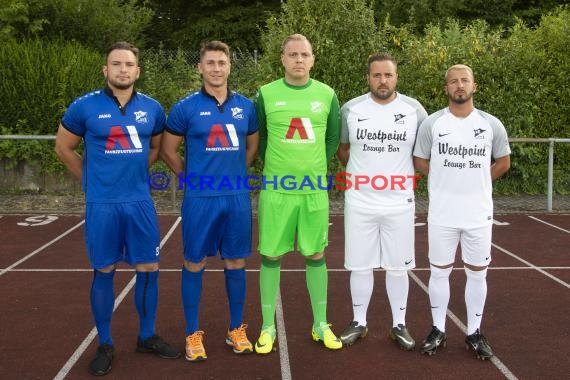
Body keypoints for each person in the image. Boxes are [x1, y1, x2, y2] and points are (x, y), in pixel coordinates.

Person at [54, 41, 180, 376]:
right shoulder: (84, 107)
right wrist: (91, 179)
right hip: (103, 205)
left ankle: (147, 335)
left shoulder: (152, 108)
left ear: (137, 71)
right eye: (116, 64)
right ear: (105, 70)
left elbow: (156, 145)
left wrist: (137, 172)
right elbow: (63, 147)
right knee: (104, 270)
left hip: (139, 202)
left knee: (149, 268)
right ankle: (106, 343)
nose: (122, 70)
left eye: (128, 65)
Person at [160, 41, 259, 362]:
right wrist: (192, 178)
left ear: (230, 67)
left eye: (222, 62)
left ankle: (236, 330)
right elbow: (168, 150)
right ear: (200, 68)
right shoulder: (185, 108)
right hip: (200, 200)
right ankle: (192, 333)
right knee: (194, 262)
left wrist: (233, 177)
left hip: (235, 198)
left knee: (236, 261)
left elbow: (251, 147)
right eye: (210, 63)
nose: (216, 68)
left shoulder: (246, 106)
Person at [413, 64, 511, 360]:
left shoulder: (491, 124)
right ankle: (438, 329)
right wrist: (444, 179)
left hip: (478, 214)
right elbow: (420, 160)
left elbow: (503, 162)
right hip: (442, 213)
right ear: (446, 88)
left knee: (477, 274)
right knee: (439, 272)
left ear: (474, 86)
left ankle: (474, 332)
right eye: (453, 81)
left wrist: (477, 180)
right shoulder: (432, 124)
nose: (459, 85)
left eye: (464, 80)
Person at [253, 33, 342, 354]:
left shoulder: (327, 94)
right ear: (283, 59)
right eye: (292, 55)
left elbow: (332, 138)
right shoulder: (265, 94)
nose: (299, 60)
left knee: (315, 254)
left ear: (313, 59)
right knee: (270, 255)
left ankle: (320, 324)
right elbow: (259, 138)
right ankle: (267, 327)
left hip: (313, 191)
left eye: (304, 54)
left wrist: (313, 166)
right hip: (277, 190)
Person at [337, 53, 427, 350]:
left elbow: (421, 153)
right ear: (368, 77)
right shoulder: (351, 108)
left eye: (388, 75)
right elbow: (344, 150)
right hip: (360, 201)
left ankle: (399, 324)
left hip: (399, 202)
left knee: (397, 267)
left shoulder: (414, 110)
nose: (383, 80)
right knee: (359, 266)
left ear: (396, 77)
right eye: (377, 75)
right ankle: (358, 322)